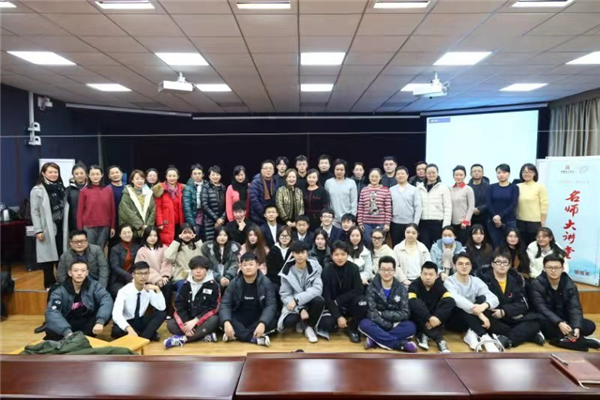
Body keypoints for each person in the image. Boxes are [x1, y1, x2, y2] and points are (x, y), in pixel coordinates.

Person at [476, 251, 543, 349]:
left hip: (512, 316)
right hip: (493, 316)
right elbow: (481, 300)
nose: (502, 265)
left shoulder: (516, 280)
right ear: (492, 264)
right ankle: (526, 335)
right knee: (484, 320)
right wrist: (497, 312)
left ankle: (508, 339)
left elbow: (523, 304)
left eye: (505, 262)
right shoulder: (483, 279)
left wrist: (504, 311)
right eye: (498, 262)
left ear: (509, 265)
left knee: (536, 322)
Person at [532, 255, 598, 350]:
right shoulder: (537, 284)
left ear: (562, 268)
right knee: (540, 324)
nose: (553, 270)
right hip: (547, 319)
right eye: (550, 267)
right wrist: (559, 323)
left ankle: (569, 337)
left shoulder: (569, 284)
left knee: (590, 326)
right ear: (544, 268)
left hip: (565, 318)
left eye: (556, 267)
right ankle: (582, 341)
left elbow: (575, 308)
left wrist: (577, 327)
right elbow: (541, 307)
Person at [444, 254, 502, 352]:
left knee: (483, 299)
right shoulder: (449, 281)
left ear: (471, 266)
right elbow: (458, 300)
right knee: (461, 306)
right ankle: (483, 335)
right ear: (454, 266)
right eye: (460, 264)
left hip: (472, 319)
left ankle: (472, 332)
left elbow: (494, 298)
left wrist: (484, 305)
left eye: (467, 264)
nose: (464, 266)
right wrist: (480, 314)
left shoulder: (476, 281)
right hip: (454, 320)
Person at [358, 256, 417, 352]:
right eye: (383, 269)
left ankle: (375, 340)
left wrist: (384, 314)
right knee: (364, 324)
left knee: (411, 326)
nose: (386, 272)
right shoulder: (371, 287)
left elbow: (405, 313)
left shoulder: (402, 288)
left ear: (394, 271)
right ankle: (400, 345)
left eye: (389, 270)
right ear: (378, 271)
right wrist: (387, 325)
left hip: (395, 323)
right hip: (378, 323)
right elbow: (372, 313)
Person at [45, 260, 113, 341]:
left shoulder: (95, 285)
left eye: (83, 270)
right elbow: (52, 312)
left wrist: (100, 321)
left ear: (87, 273)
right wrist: (67, 332)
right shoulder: (59, 291)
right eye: (76, 270)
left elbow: (106, 299)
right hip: (67, 321)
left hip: (86, 320)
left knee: (106, 313)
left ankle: (84, 336)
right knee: (51, 329)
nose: (79, 273)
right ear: (70, 273)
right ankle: (74, 337)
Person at [220, 253, 277, 346]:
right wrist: (226, 322)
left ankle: (237, 335)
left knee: (272, 320)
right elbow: (225, 304)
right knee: (223, 319)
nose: (248, 267)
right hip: (239, 316)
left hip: (258, 316)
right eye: (245, 265)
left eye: (251, 264)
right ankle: (253, 338)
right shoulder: (234, 283)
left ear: (257, 265)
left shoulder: (266, 282)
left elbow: (270, 305)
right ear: (240, 266)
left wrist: (262, 323)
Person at [164, 256, 220, 348]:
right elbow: (179, 306)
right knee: (170, 325)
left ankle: (183, 339)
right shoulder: (185, 285)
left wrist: (196, 320)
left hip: (203, 320)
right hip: (188, 320)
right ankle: (202, 335)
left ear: (206, 270)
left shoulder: (213, 285)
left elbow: (214, 308)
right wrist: (185, 326)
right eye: (195, 268)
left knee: (215, 320)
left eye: (201, 268)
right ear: (191, 270)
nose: (198, 271)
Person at [320, 241, 368, 343]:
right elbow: (327, 297)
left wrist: (339, 300)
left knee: (363, 302)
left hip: (349, 302)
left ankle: (352, 328)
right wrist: (338, 316)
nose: (340, 258)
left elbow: (359, 290)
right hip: (333, 305)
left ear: (347, 255)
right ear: (332, 256)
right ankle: (339, 323)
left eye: (343, 254)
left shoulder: (354, 268)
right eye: (336, 254)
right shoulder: (327, 271)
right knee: (327, 324)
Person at [278, 242, 324, 343]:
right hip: (294, 305)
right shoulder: (286, 271)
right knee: (289, 321)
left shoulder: (315, 267)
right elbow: (285, 295)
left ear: (307, 253)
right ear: (292, 254)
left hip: (308, 300)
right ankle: (301, 321)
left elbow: (317, 289)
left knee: (319, 300)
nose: (300, 256)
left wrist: (297, 300)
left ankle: (309, 327)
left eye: (302, 252)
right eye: (297, 253)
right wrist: (300, 309)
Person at [111, 261, 167, 341]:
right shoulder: (124, 291)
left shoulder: (148, 289)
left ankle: (143, 338)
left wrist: (157, 289)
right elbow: (116, 314)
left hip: (140, 320)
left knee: (162, 314)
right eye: (140, 273)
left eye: (146, 273)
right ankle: (148, 334)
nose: (143, 277)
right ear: (133, 275)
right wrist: (129, 329)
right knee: (116, 332)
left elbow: (161, 308)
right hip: (128, 321)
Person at [31, 162, 65, 289]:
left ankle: (62, 282)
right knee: (48, 257)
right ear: (43, 173)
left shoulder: (61, 187)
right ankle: (49, 283)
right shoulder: (37, 190)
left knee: (61, 255)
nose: (53, 174)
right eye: (50, 172)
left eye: (55, 172)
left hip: (61, 226)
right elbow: (34, 211)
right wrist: (38, 230)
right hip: (47, 227)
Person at [408, 261, 455, 353]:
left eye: (431, 274)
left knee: (448, 302)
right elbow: (412, 302)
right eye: (425, 274)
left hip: (434, 317)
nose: (428, 277)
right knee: (416, 304)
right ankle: (439, 340)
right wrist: (429, 318)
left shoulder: (439, 284)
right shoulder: (414, 284)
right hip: (420, 317)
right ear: (421, 274)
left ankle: (422, 335)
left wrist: (437, 318)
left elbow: (450, 300)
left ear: (436, 276)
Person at [134, 226, 173, 310]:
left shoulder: (164, 248)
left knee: (168, 285)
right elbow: (142, 267)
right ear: (145, 236)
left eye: (155, 235)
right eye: (150, 235)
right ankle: (155, 310)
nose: (152, 238)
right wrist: (157, 278)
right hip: (148, 279)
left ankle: (165, 310)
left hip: (163, 278)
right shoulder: (141, 251)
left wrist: (164, 276)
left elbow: (166, 262)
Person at [77, 165, 116, 249]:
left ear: (102, 175)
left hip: (105, 226)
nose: (95, 176)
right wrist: (80, 229)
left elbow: (112, 209)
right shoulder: (84, 191)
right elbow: (80, 211)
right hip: (89, 226)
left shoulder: (108, 190)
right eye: (93, 174)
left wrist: (112, 226)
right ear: (88, 176)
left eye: (97, 174)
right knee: (89, 249)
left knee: (100, 249)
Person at [417, 164, 452, 249]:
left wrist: (446, 226)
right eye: (429, 173)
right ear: (425, 174)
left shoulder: (443, 188)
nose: (431, 175)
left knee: (438, 247)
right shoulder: (419, 187)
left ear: (437, 173)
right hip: (423, 222)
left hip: (438, 223)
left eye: (433, 172)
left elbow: (448, 207)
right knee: (424, 247)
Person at [486, 164, 519, 248]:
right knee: (496, 245)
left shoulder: (514, 187)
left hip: (509, 220)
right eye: (499, 172)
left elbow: (513, 204)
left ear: (509, 174)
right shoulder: (491, 187)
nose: (501, 175)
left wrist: (500, 216)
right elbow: (488, 204)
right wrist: (495, 217)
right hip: (493, 221)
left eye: (504, 172)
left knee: (510, 245)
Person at [357, 168, 392, 245]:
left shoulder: (385, 190)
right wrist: (360, 222)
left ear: (380, 177)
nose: (374, 178)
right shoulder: (364, 190)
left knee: (379, 243)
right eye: (372, 176)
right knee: (368, 242)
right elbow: (360, 207)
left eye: (376, 176)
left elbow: (388, 208)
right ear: (369, 177)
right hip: (366, 223)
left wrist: (387, 223)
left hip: (381, 223)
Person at [517, 163, 549, 246]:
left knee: (534, 245)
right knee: (521, 245)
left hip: (535, 222)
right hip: (519, 221)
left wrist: (543, 221)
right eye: (524, 172)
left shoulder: (540, 187)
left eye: (530, 172)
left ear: (535, 173)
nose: (527, 174)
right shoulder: (517, 187)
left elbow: (544, 204)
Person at [389, 166, 422, 247]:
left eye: (403, 174)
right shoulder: (391, 190)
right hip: (395, 223)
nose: (400, 175)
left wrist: (415, 223)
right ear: (395, 176)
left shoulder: (414, 189)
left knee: (410, 246)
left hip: (410, 223)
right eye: (398, 174)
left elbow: (418, 207)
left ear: (407, 175)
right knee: (396, 246)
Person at [165, 224, 204, 291]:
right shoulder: (176, 246)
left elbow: (205, 256)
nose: (187, 235)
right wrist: (177, 240)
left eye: (189, 233)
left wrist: (197, 239)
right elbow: (168, 257)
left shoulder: (197, 245)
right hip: (180, 277)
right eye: (185, 233)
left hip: (197, 277)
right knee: (184, 287)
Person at [119, 169, 156, 238]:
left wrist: (148, 226)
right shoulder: (127, 193)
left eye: (142, 179)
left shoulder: (149, 193)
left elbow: (153, 210)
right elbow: (126, 211)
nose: (140, 181)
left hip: (147, 229)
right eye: (137, 179)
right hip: (132, 229)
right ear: (132, 180)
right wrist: (141, 225)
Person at [154, 166, 185, 246]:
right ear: (166, 176)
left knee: (180, 244)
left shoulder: (183, 189)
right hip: (166, 222)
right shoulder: (160, 189)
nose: (172, 178)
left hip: (179, 222)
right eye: (170, 176)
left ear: (178, 176)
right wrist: (160, 223)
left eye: (174, 176)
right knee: (167, 244)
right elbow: (158, 208)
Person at [108, 224, 141, 299]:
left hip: (134, 279)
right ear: (120, 235)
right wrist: (128, 276)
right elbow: (115, 267)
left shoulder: (137, 247)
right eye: (124, 233)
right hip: (118, 280)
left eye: (129, 232)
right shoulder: (115, 249)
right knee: (124, 294)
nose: (127, 235)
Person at [325, 159, 357, 228]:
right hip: (333, 219)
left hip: (347, 219)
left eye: (342, 169)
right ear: (334, 170)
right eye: (337, 169)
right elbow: (326, 202)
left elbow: (354, 202)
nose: (339, 171)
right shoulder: (328, 183)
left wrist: (352, 218)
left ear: (345, 170)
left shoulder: (351, 183)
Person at [63, 163, 87, 248]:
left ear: (86, 174)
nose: (79, 175)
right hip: (73, 223)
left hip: (89, 223)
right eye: (76, 174)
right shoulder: (68, 190)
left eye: (82, 173)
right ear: (73, 175)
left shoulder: (90, 188)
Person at [450, 165, 475, 246]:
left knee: (463, 245)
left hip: (463, 224)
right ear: (453, 176)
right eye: (456, 175)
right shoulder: (450, 188)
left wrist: (466, 221)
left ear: (465, 176)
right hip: (452, 223)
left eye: (461, 175)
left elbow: (471, 207)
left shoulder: (468, 189)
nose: (458, 177)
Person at [202, 166, 227, 243]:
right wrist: (216, 219)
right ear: (209, 176)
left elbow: (227, 205)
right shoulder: (205, 187)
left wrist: (222, 218)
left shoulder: (223, 187)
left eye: (217, 174)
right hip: (209, 221)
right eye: (213, 175)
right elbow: (204, 205)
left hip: (222, 221)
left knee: (221, 242)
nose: (215, 177)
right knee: (210, 243)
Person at [249, 160, 278, 225]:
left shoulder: (274, 181)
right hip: (258, 217)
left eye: (270, 168)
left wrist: (272, 213)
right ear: (261, 170)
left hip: (271, 216)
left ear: (273, 171)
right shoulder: (255, 182)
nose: (268, 170)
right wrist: (265, 213)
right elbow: (254, 200)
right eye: (266, 168)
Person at [182, 163, 206, 241]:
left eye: (199, 173)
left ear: (203, 174)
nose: (197, 176)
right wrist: (192, 224)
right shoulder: (188, 188)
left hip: (206, 217)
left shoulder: (207, 185)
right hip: (195, 217)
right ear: (191, 175)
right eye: (195, 174)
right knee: (196, 238)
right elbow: (187, 208)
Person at [108, 165, 125, 246]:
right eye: (112, 173)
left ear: (121, 173)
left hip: (126, 221)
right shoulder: (108, 189)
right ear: (109, 176)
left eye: (117, 172)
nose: (115, 174)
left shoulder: (127, 188)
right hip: (113, 223)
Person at [468, 164, 489, 228]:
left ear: (483, 173)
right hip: (469, 218)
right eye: (474, 171)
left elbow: (491, 202)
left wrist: (480, 209)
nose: (476, 173)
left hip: (485, 218)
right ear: (470, 174)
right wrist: (472, 210)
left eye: (479, 171)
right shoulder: (466, 187)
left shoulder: (489, 187)